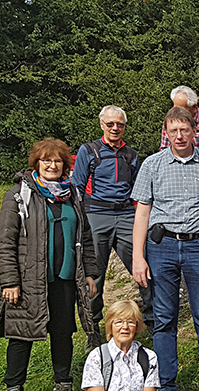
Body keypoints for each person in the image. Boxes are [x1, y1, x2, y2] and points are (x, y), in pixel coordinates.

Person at [132, 107, 199, 391]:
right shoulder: (152, 165)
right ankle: (167, 386)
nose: (179, 136)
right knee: (164, 320)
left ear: (194, 132)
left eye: (185, 130)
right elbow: (142, 213)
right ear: (166, 132)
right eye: (173, 130)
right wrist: (138, 257)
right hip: (162, 247)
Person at [0, 138, 99, 391]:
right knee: (21, 334)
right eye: (46, 160)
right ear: (36, 163)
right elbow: (5, 242)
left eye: (57, 161)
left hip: (65, 278)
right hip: (28, 280)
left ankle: (63, 387)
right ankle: (14, 389)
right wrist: (10, 281)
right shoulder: (18, 195)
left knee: (63, 333)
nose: (52, 165)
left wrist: (89, 273)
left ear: (65, 166)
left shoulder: (74, 195)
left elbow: (85, 237)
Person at [72, 105, 152, 348]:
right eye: (110, 124)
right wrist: (80, 221)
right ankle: (93, 329)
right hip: (96, 215)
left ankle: (153, 321)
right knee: (94, 275)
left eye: (120, 124)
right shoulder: (89, 151)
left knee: (143, 268)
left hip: (127, 215)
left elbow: (140, 190)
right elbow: (77, 186)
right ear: (101, 125)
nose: (115, 128)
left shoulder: (132, 154)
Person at [159, 86, 199, 152]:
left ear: (194, 107)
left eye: (182, 110)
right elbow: (164, 148)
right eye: (175, 108)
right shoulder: (170, 121)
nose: (178, 112)